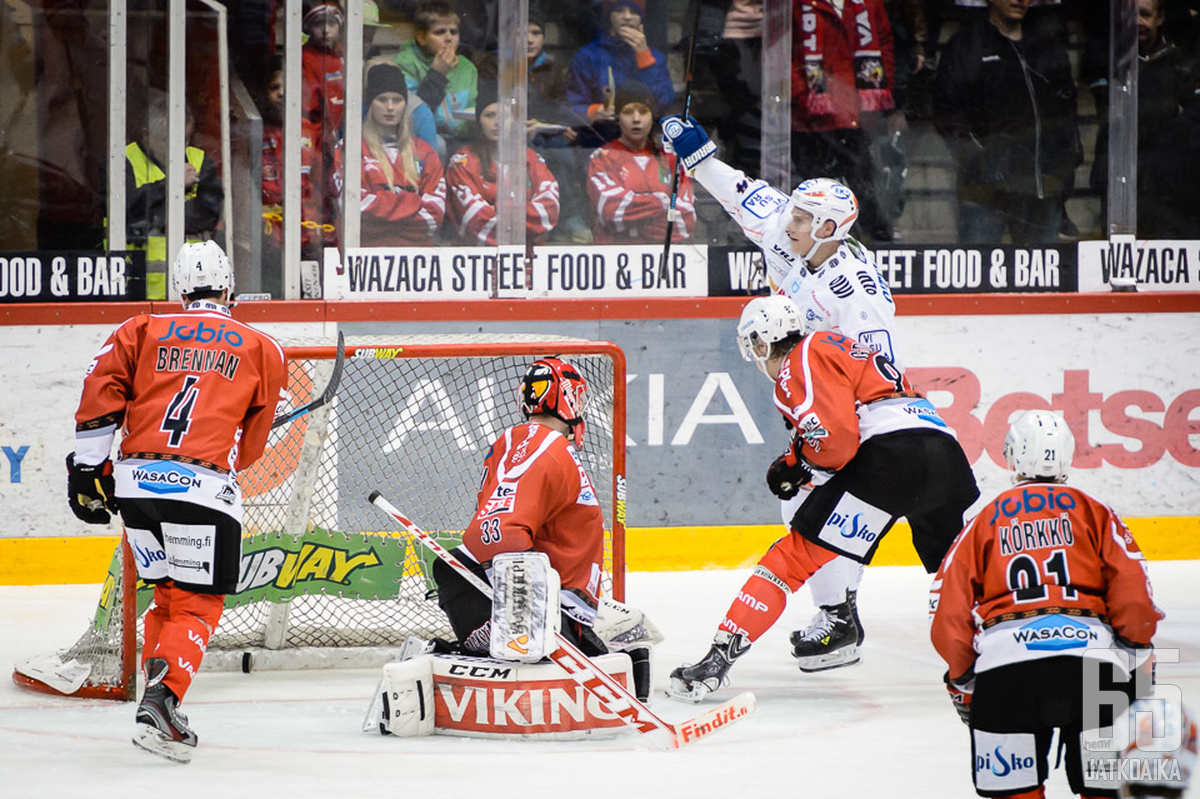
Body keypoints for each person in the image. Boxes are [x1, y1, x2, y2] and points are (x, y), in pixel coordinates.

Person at [662, 113, 904, 672]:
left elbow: (884, 372)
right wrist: (693, 148)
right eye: (793, 210)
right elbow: (734, 189)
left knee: (811, 502)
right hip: (811, 392)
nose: (788, 220)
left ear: (829, 230)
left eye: (803, 216)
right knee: (804, 499)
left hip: (854, 408)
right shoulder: (783, 225)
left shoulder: (859, 296)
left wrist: (850, 437)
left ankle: (840, 617)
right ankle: (840, 612)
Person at [667, 295, 979, 702]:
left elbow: (835, 443)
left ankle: (715, 663)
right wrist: (799, 459)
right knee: (964, 571)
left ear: (762, 342)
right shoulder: (833, 344)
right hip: (944, 453)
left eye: (754, 347)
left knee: (791, 558)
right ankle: (1001, 659)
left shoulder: (800, 358)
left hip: (890, 458)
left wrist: (798, 465)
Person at [66, 240, 287, 762]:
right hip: (204, 489)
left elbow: (100, 391)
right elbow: (251, 447)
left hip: (135, 487)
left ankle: (156, 701)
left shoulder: (139, 329)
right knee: (197, 602)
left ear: (180, 289)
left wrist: (86, 469)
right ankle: (162, 703)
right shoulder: (262, 347)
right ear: (230, 286)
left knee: (165, 593)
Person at [930, 410, 1163, 799]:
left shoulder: (983, 520)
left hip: (1007, 676)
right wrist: (1135, 652)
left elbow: (948, 612)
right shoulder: (1095, 511)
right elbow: (1135, 596)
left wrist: (963, 678)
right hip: (1095, 672)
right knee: (1107, 790)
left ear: (1011, 455)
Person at [431, 357, 656, 700]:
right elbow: (496, 534)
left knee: (636, 630)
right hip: (542, 616)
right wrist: (530, 607)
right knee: (634, 651)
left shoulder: (515, 442)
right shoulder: (546, 445)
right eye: (577, 399)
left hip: (540, 606)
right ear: (567, 397)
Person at [933, 0, 1080, 245]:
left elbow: (1066, 111)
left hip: (1041, 191)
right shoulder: (967, 46)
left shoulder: (1046, 47)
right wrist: (980, 160)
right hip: (984, 193)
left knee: (1040, 279)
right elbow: (947, 111)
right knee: (976, 277)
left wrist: (1062, 170)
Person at [1089, 0, 1200, 239]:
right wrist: (1169, 108)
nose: (1138, 22)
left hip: (1171, 196)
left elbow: (1192, 122)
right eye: (1131, 15)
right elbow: (1111, 117)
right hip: (1121, 192)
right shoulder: (1109, 62)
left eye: (1145, 15)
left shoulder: (1184, 65)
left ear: (1160, 18)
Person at [791, 0, 899, 243]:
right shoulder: (796, 5)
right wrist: (803, 96)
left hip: (859, 119)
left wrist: (878, 93)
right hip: (811, 123)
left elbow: (885, 47)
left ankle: (875, 256)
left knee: (868, 198)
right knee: (813, 202)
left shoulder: (869, 4)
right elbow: (782, 54)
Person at [125, 93, 224, 301]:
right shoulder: (123, 160)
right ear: (146, 135)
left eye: (184, 139)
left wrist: (156, 212)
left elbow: (206, 218)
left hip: (194, 289)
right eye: (166, 140)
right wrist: (169, 185)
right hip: (137, 286)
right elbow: (129, 213)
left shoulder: (200, 160)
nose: (177, 147)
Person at [337, 62, 446, 246]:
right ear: (370, 103)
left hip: (415, 261)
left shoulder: (425, 153)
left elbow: (435, 215)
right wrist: (413, 204)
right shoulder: (349, 148)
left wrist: (380, 208)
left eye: (397, 100)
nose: (390, 107)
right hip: (365, 257)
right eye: (382, 99)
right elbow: (353, 209)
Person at [445, 83, 561, 245]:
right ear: (478, 121)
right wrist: (526, 215)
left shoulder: (531, 158)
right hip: (479, 261)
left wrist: (497, 208)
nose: (498, 122)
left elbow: (550, 212)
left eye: (504, 115)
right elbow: (475, 220)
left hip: (527, 260)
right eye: (489, 115)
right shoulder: (462, 162)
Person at [586, 81, 695, 244]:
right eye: (628, 112)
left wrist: (629, 225)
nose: (636, 119)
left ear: (652, 116)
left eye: (643, 111)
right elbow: (610, 211)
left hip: (661, 260)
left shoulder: (671, 159)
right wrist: (662, 202)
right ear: (618, 118)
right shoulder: (602, 158)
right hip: (614, 258)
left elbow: (685, 220)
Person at [566, 0, 676, 147]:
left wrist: (644, 57)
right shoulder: (588, 56)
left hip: (643, 145)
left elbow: (663, 103)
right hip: (597, 142)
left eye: (634, 12)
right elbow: (569, 106)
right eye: (619, 10)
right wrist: (594, 112)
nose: (627, 17)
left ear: (641, 19)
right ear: (609, 16)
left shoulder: (654, 57)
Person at [261, 57, 329, 291]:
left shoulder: (311, 131)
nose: (281, 94)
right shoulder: (254, 132)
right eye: (274, 88)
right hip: (266, 241)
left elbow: (321, 187)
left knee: (311, 299)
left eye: (287, 88)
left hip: (308, 239)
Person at [394, 0, 479, 158]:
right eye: (440, 32)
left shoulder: (467, 68)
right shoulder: (406, 62)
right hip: (420, 136)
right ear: (422, 37)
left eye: (453, 32)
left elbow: (473, 108)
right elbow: (412, 115)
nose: (448, 38)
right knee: (438, 144)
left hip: (460, 138)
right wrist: (438, 74)